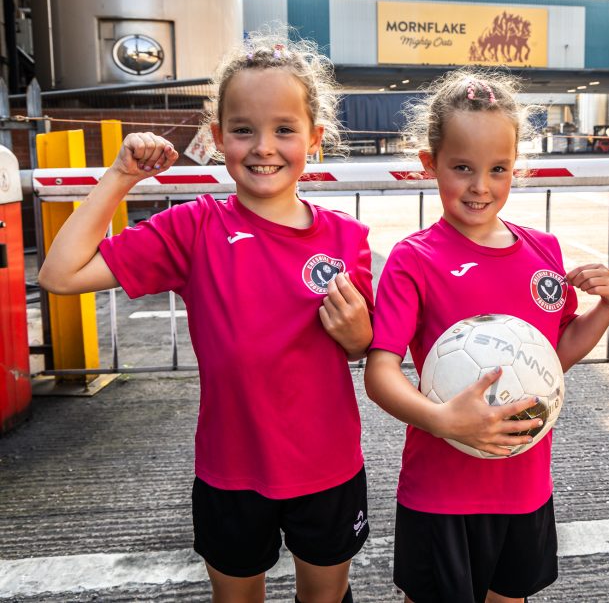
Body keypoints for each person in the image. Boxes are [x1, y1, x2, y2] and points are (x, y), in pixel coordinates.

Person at [38, 32, 374, 603]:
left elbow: (363, 348)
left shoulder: (347, 236)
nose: (263, 146)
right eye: (243, 129)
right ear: (217, 138)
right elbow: (60, 275)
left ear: (314, 139)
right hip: (229, 471)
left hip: (328, 468)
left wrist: (357, 333)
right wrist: (120, 177)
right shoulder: (192, 228)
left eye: (284, 129)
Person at [363, 68, 609, 603]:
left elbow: (556, 356)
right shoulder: (415, 260)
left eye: (498, 169)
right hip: (439, 493)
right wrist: (441, 418)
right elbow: (380, 371)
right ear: (429, 164)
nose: (480, 186)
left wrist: (608, 307)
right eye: (462, 168)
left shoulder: (543, 251)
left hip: (523, 489)